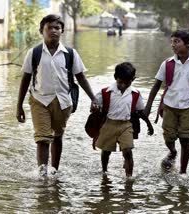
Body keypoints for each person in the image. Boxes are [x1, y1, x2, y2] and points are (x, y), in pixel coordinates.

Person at [16, 14, 98, 176]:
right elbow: (25, 79)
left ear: (62, 31)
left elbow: (80, 76)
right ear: (42, 31)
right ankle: (42, 173)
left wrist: (93, 98)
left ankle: (54, 170)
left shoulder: (70, 53)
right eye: (49, 28)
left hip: (63, 101)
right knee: (42, 138)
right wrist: (19, 106)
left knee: (58, 136)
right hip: (39, 100)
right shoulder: (34, 53)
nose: (53, 31)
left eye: (57, 28)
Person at [144, 29, 189, 174]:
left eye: (177, 41)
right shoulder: (167, 64)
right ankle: (172, 151)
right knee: (168, 137)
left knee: (185, 139)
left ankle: (183, 172)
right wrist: (148, 107)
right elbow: (156, 86)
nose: (173, 45)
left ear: (188, 43)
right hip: (169, 106)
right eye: (172, 42)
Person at [91, 62, 153, 178]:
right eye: (120, 82)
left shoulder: (135, 94)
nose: (123, 85)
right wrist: (94, 108)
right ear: (115, 78)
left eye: (127, 82)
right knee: (106, 151)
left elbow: (140, 112)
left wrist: (149, 125)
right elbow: (95, 107)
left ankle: (129, 178)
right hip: (109, 124)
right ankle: (104, 172)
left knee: (128, 151)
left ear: (133, 79)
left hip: (126, 125)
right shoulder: (105, 92)